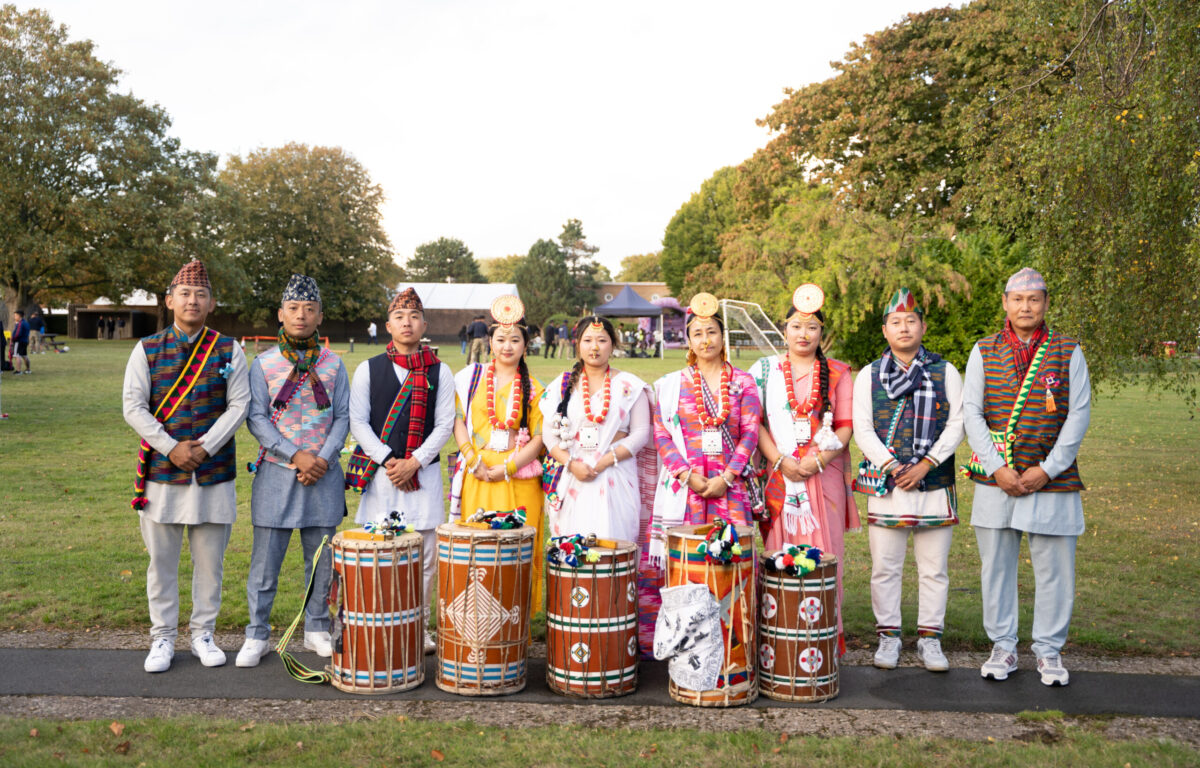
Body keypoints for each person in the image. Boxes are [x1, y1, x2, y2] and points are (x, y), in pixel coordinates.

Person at [963, 267, 1090, 687]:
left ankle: (1049, 651)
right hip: (996, 480)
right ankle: (1003, 645)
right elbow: (972, 413)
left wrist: (1047, 469)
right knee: (995, 568)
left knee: (1055, 571)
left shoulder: (1068, 350)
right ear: (1005, 302)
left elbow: (1079, 415)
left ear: (1046, 303)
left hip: (1052, 480)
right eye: (1018, 299)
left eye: (1034, 299)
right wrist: (997, 467)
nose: (1025, 307)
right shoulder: (983, 349)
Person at [121, 259, 250, 673]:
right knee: (161, 562)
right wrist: (171, 447)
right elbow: (133, 406)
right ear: (169, 300)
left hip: (214, 473)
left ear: (211, 303)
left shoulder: (230, 350)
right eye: (185, 293)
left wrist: (205, 447)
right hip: (163, 473)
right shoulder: (146, 348)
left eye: (200, 294)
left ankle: (203, 634)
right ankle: (162, 638)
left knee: (211, 563)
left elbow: (240, 405)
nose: (192, 301)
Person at [236, 274, 350, 668]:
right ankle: (257, 633)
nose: (301, 316)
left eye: (310, 309)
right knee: (265, 561)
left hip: (324, 471)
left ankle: (317, 627)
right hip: (277, 472)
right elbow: (256, 418)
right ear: (280, 314)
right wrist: (295, 455)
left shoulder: (334, 364)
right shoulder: (263, 364)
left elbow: (343, 416)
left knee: (320, 560)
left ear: (320, 316)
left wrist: (321, 458)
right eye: (294, 308)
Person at [851, 288, 964, 672]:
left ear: (923, 326)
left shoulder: (945, 371)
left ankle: (931, 640)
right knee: (885, 566)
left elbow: (958, 423)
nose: (904, 328)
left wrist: (925, 464)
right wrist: (894, 467)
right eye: (896, 322)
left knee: (934, 568)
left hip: (934, 482)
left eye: (910, 321)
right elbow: (862, 429)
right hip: (889, 484)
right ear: (885, 330)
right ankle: (889, 637)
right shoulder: (868, 375)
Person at [349, 287, 455, 655]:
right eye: (399, 317)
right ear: (387, 325)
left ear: (424, 324)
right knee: (380, 552)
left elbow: (445, 425)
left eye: (413, 317)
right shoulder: (368, 368)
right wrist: (388, 460)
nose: (406, 323)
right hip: (383, 475)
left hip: (423, 476)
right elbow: (358, 421)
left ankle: (418, 627)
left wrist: (414, 462)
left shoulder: (440, 371)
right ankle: (380, 623)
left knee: (424, 560)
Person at [752, 284, 855, 652]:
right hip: (779, 477)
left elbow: (845, 425)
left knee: (827, 553)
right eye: (796, 326)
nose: (803, 334)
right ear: (784, 330)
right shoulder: (764, 372)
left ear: (821, 334)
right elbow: (755, 423)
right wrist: (781, 461)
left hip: (822, 476)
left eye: (812, 328)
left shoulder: (840, 373)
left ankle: (824, 637)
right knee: (778, 552)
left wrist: (817, 461)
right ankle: (778, 639)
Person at [452, 295, 546, 610]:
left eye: (515, 340)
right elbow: (457, 421)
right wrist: (471, 458)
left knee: (516, 550)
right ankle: (476, 624)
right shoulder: (470, 378)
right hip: (477, 474)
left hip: (517, 479)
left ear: (525, 345)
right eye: (501, 339)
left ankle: (517, 629)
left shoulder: (535, 387)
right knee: (478, 548)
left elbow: (541, 438)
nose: (507, 346)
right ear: (490, 341)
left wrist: (507, 467)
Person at [541, 315, 654, 543]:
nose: (594, 347)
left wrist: (605, 460)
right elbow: (548, 435)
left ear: (613, 344)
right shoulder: (561, 386)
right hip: (573, 475)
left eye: (602, 340)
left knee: (615, 545)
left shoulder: (630, 386)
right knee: (572, 547)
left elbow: (642, 433)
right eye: (587, 340)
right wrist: (571, 464)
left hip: (616, 474)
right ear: (578, 345)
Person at [10, 310, 30, 375]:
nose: (14, 317)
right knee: (24, 355)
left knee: (17, 355)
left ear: (19, 316)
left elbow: (18, 333)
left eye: (15, 315)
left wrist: (13, 339)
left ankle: (18, 371)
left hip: (19, 341)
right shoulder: (26, 323)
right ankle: (28, 369)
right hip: (25, 341)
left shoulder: (20, 323)